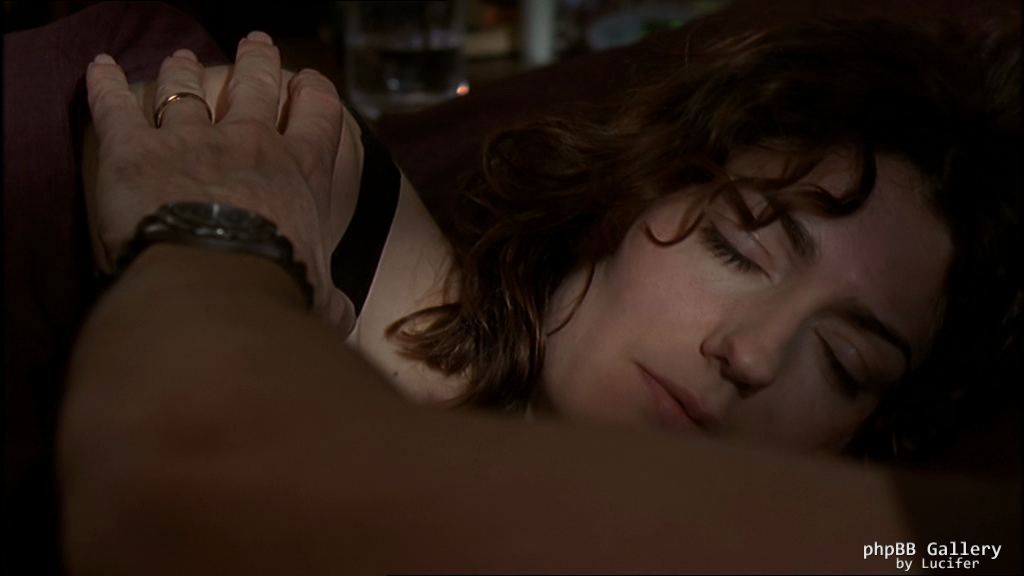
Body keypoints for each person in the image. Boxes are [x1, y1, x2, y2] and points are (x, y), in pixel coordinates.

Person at [59, 16, 1019, 575]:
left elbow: (952, 555)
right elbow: (178, 123)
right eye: (736, 245)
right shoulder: (388, 258)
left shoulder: (868, 549)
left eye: (846, 364)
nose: (754, 355)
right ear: (631, 199)